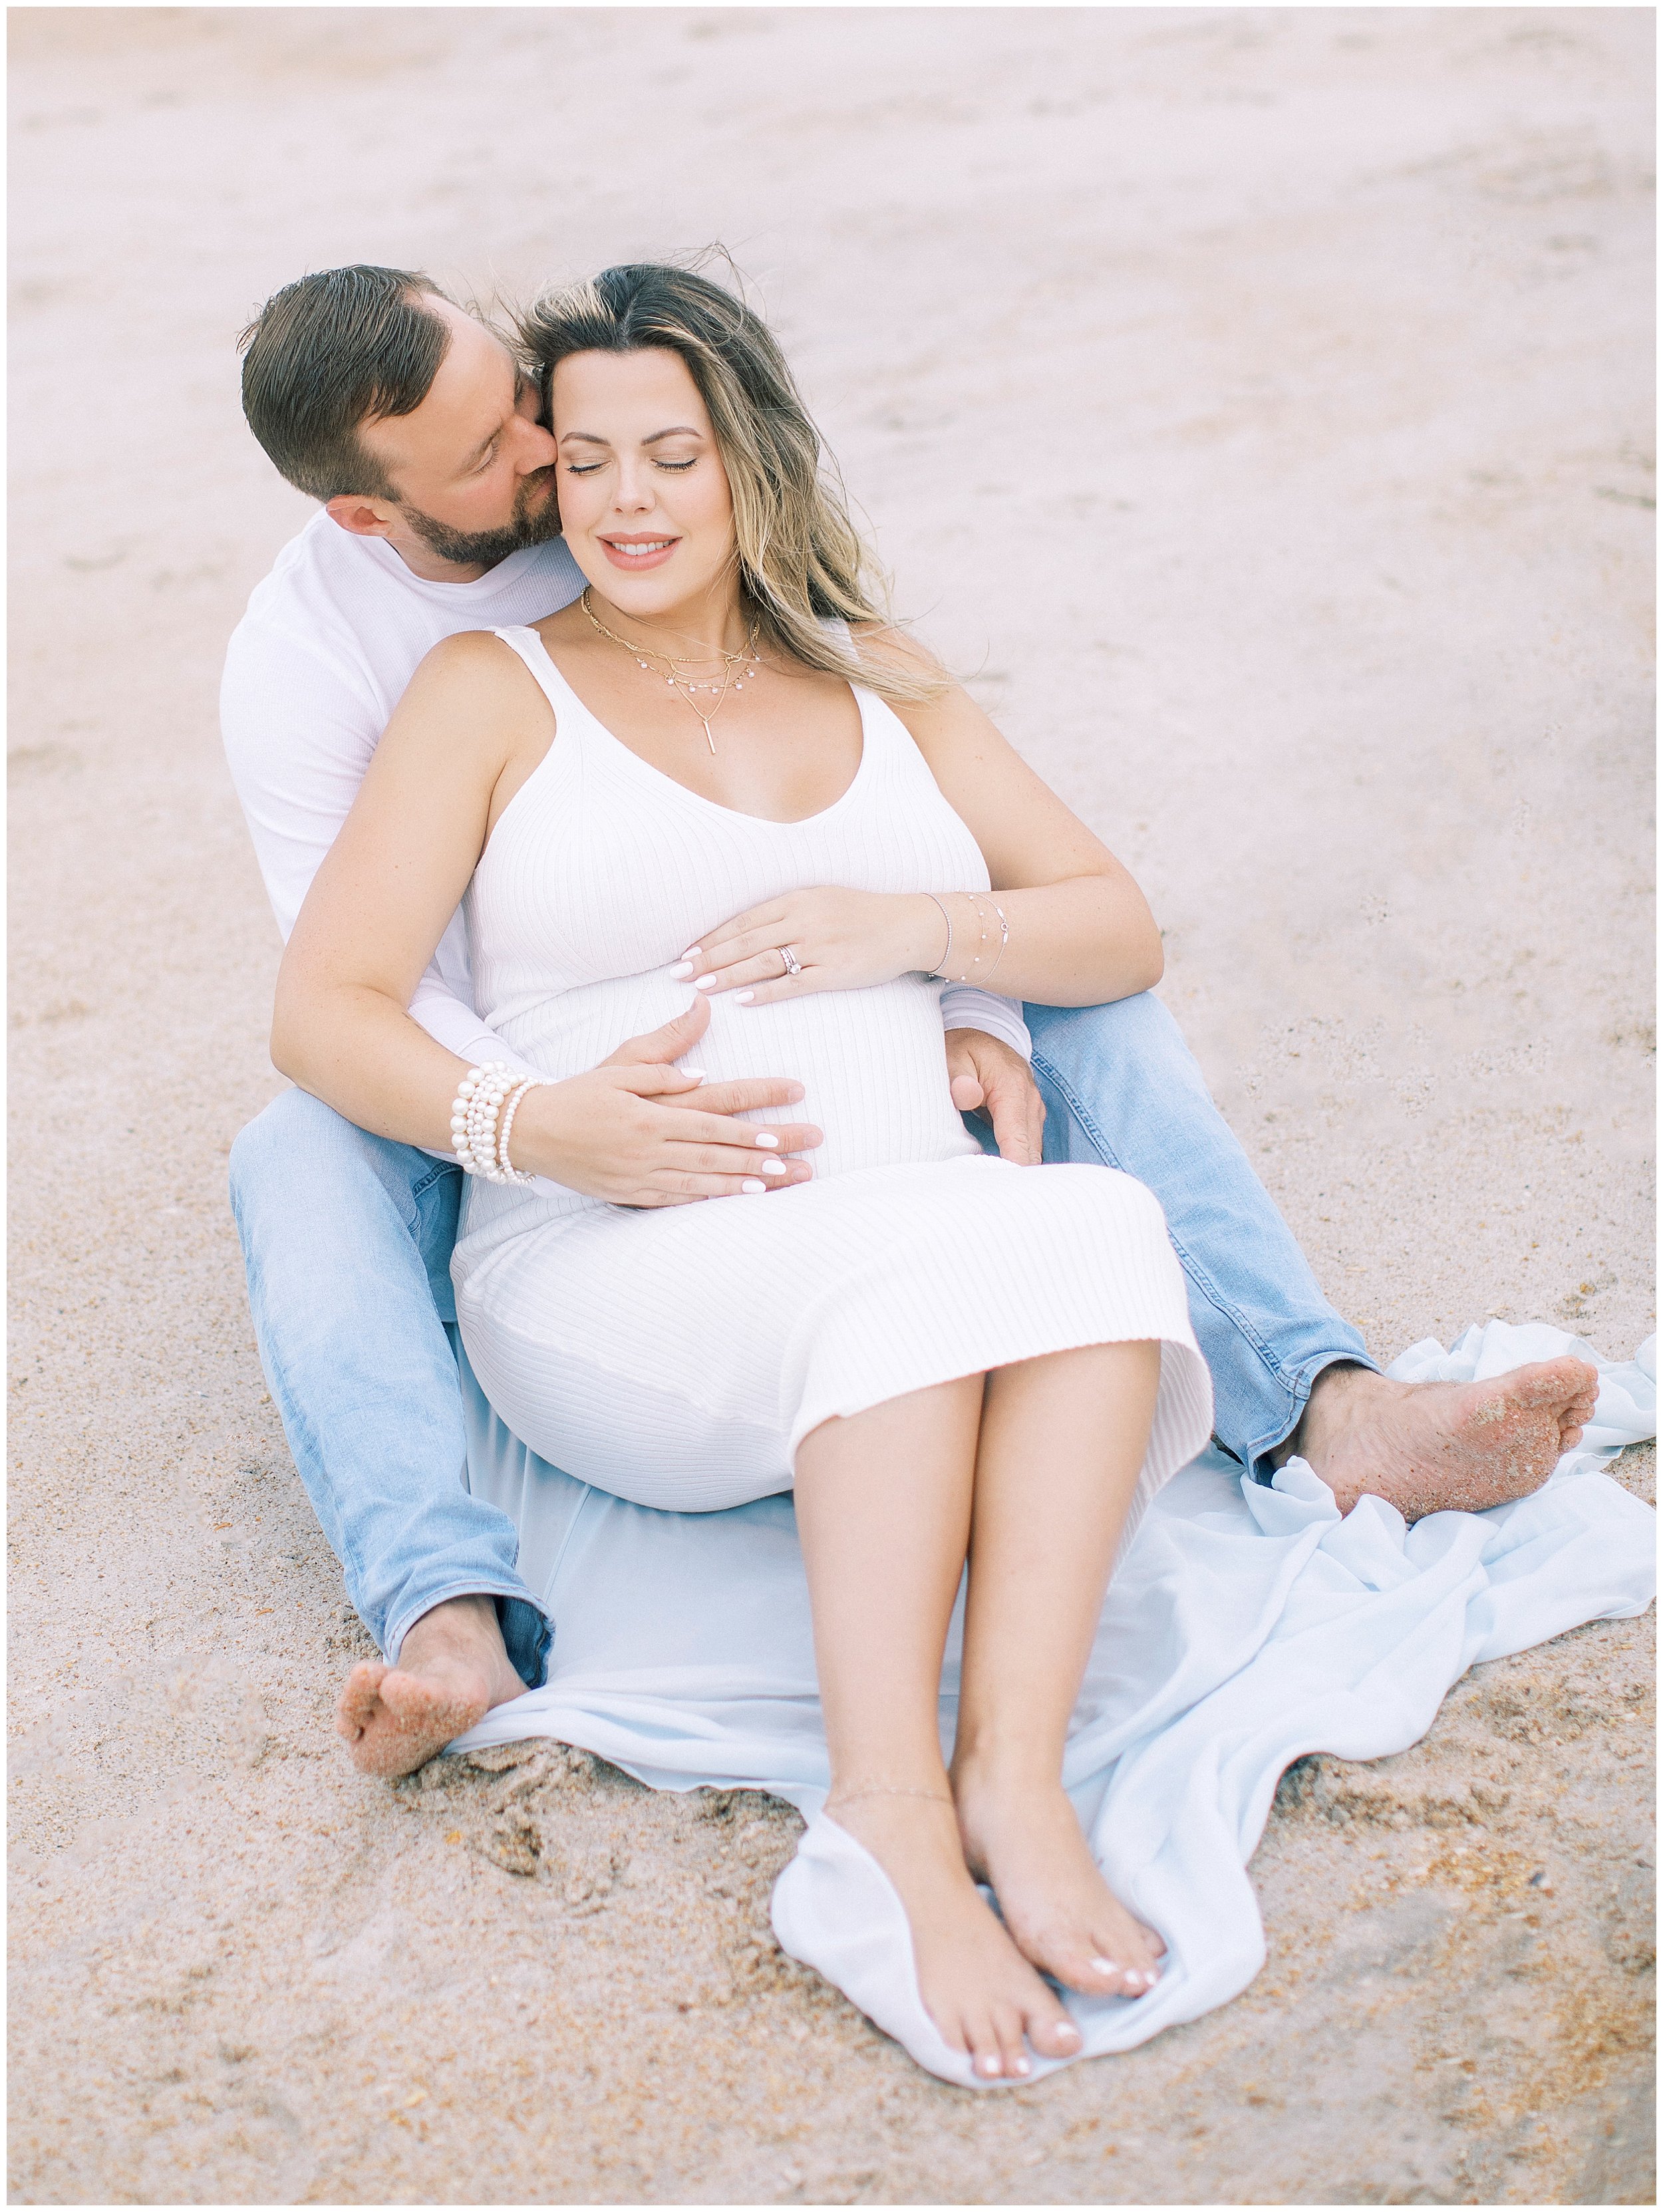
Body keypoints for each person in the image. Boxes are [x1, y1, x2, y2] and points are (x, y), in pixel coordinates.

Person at [266, 263, 1599, 2082]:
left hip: (894, 1226)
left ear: (749, 455)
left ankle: (1012, 1781)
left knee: (1095, 1221)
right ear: (543, 492)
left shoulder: (875, 674)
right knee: (911, 1278)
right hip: (618, 1259)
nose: (628, 498)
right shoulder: (476, 689)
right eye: (585, 463)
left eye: (671, 451)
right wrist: (538, 1125)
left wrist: (918, 931)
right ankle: (888, 1823)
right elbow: (327, 1009)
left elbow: (1111, 921)